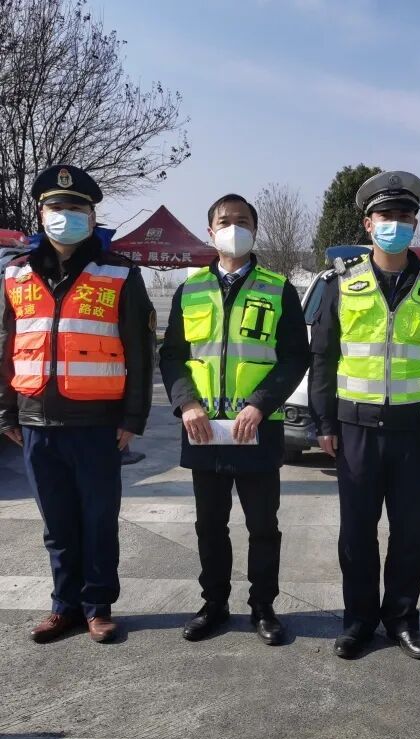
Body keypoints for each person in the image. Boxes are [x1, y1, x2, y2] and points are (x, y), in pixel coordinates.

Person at [308, 171, 420, 660]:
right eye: (385, 216)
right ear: (368, 223)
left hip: (416, 431)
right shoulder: (339, 282)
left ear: (415, 223)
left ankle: (402, 620)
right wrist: (324, 423)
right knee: (356, 532)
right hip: (356, 429)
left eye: (403, 216)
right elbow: (323, 357)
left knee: (409, 533)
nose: (394, 224)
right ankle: (358, 621)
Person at [0, 164, 155, 643]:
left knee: (98, 520)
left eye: (75, 208)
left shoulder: (119, 273)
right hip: (36, 421)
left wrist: (133, 418)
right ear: (40, 214)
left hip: (97, 423)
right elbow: (6, 345)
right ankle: (63, 605)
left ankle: (97, 606)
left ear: (91, 217)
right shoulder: (15, 273)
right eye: (56, 207)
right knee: (57, 523)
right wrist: (6, 411)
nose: (65, 215)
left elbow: (139, 352)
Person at [160, 194, 309, 644]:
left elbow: (295, 357)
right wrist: (186, 403)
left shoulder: (278, 288)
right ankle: (214, 605)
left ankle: (263, 607)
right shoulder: (190, 290)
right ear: (210, 232)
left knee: (263, 526)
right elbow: (172, 355)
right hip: (204, 430)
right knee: (210, 526)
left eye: (242, 221)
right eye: (225, 221)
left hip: (256, 430)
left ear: (254, 231)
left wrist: (260, 404)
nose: (233, 228)